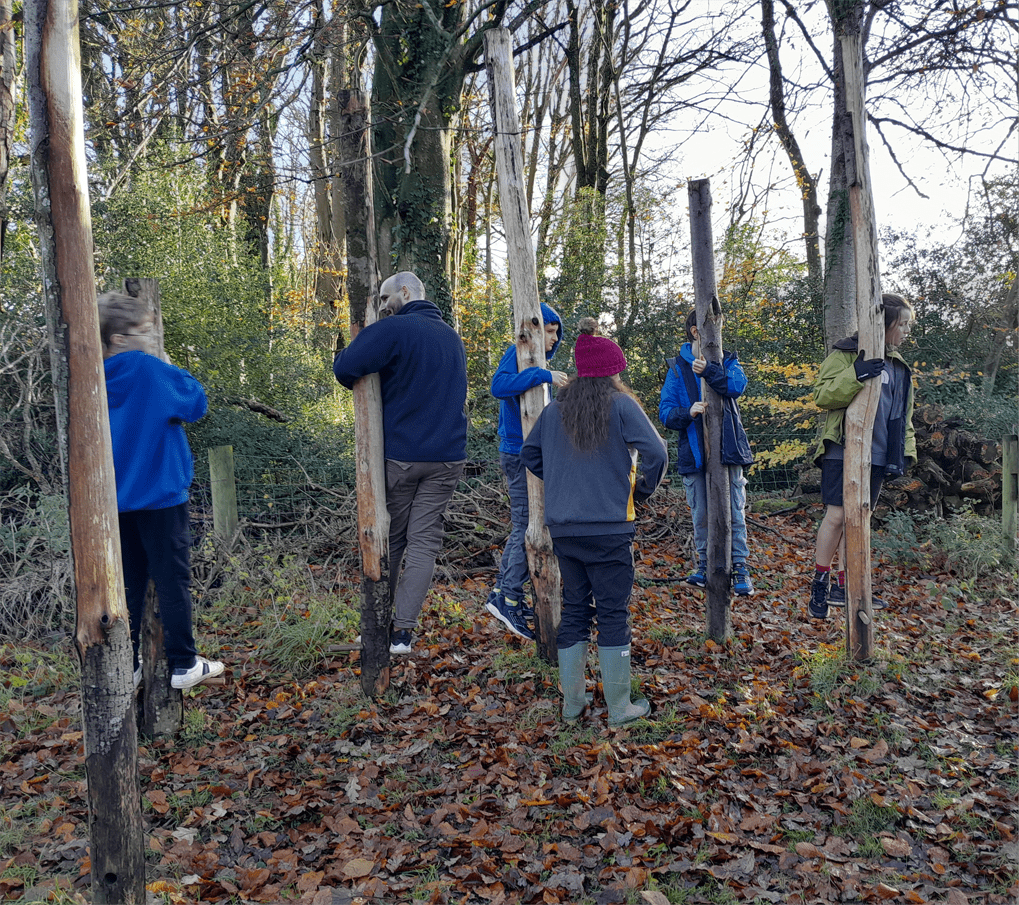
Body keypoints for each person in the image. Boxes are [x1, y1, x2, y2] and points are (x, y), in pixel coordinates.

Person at [520, 318, 668, 728]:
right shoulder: (621, 405)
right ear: (612, 371)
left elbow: (530, 456)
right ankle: (619, 708)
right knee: (613, 612)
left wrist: (565, 480)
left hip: (565, 529)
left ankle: (573, 705)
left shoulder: (555, 409)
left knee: (574, 612)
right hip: (609, 527)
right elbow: (657, 453)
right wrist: (640, 491)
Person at [333, 272, 468, 654]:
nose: (382, 304)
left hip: (403, 457)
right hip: (448, 458)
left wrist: (368, 336)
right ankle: (403, 634)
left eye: (386, 296)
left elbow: (345, 367)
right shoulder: (451, 337)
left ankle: (376, 627)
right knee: (425, 542)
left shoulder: (395, 329)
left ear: (406, 292)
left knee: (389, 538)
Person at [98, 291, 225, 690]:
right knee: (173, 581)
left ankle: (128, 663)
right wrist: (169, 362)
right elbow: (195, 403)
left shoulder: (92, 374)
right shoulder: (146, 368)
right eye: (144, 330)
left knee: (131, 585)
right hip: (161, 494)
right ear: (119, 339)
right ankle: (184, 663)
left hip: (116, 500)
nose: (152, 336)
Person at [808, 293, 916, 619]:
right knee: (839, 516)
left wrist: (906, 452)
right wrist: (855, 372)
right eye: (904, 324)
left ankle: (846, 584)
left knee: (860, 519)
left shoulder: (899, 367)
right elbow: (822, 395)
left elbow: (903, 415)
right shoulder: (844, 354)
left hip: (880, 454)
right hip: (843, 450)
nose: (907, 331)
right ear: (885, 325)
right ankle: (820, 583)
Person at [658, 310, 755, 595]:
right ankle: (704, 564)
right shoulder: (676, 368)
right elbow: (665, 413)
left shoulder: (729, 361)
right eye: (712, 326)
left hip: (729, 452)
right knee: (701, 513)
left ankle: (740, 567)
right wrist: (688, 412)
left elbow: (737, 386)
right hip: (694, 455)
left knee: (734, 512)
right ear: (695, 331)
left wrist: (709, 371)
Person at [486, 303, 567, 641]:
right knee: (526, 522)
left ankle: (507, 594)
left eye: (557, 332)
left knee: (539, 522)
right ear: (534, 330)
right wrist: (542, 376)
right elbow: (499, 386)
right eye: (549, 330)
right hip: (517, 454)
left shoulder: (540, 362)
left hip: (535, 454)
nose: (554, 338)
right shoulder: (518, 354)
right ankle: (507, 597)